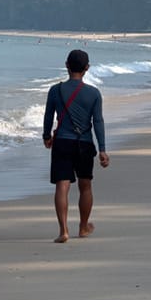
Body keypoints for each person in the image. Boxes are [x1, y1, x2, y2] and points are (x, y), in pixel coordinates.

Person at [42, 49, 109, 242]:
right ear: (87, 68)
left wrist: (46, 136)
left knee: (62, 186)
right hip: (84, 144)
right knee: (85, 186)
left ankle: (63, 231)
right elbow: (98, 122)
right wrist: (102, 149)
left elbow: (48, 117)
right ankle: (83, 227)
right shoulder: (94, 93)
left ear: (66, 65)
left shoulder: (55, 90)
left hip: (62, 142)